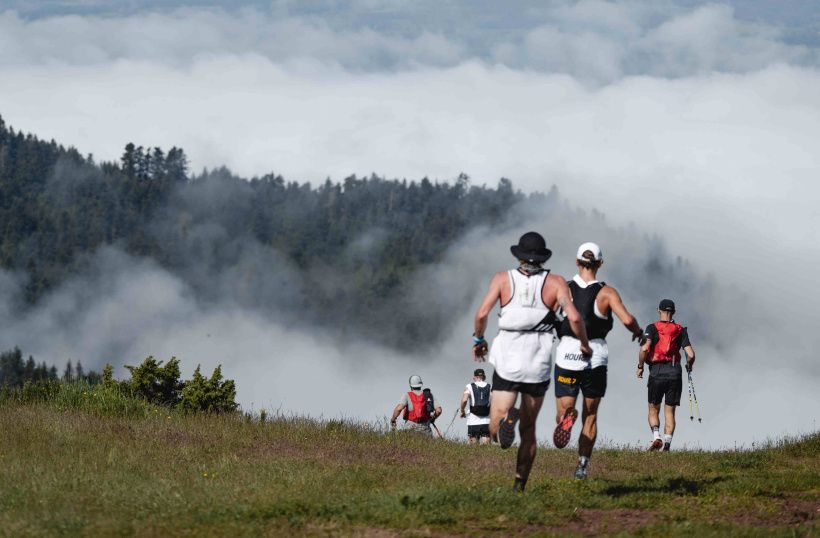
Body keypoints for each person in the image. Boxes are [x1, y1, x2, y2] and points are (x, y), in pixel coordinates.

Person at [473, 231, 591, 492]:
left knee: (494, 428)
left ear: (519, 255)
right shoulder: (557, 283)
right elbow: (573, 318)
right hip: (538, 359)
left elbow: (482, 313)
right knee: (530, 429)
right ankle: (519, 486)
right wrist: (583, 344)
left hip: (508, 355)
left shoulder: (503, 279)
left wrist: (478, 339)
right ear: (542, 257)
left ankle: (505, 421)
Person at [552, 242, 645, 480]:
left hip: (567, 355)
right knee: (591, 415)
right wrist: (639, 333)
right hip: (596, 357)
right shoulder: (607, 293)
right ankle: (582, 465)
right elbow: (626, 319)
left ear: (576, 262)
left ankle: (565, 418)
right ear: (600, 263)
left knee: (563, 408)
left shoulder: (564, 289)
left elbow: (547, 316)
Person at [637, 299, 696, 452]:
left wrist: (640, 367)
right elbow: (690, 354)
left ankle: (656, 437)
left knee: (653, 409)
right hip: (675, 374)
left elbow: (644, 349)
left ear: (659, 311)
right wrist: (689, 366)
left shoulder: (652, 327)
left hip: (656, 373)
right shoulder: (680, 330)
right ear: (674, 312)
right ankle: (667, 445)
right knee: (669, 412)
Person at [460, 368, 492, 445]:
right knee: (486, 447)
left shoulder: (469, 386)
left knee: (474, 448)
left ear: (474, 377)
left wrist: (462, 411)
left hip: (473, 421)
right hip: (487, 421)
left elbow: (464, 400)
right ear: (484, 377)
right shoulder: (490, 387)